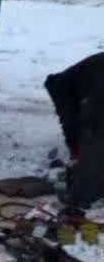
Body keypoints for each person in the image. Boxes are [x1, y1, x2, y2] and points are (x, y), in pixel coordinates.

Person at [46, 54, 104, 208]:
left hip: (86, 91)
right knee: (79, 130)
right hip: (63, 88)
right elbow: (91, 117)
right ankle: (63, 173)